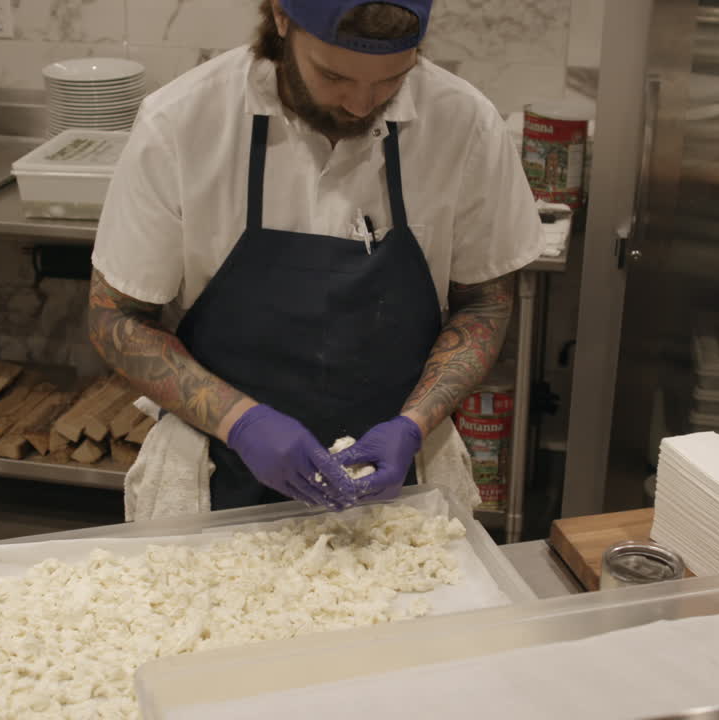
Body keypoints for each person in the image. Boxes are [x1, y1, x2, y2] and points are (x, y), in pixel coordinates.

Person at [89, 0, 542, 512]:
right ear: (282, 18)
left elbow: (484, 302)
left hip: (400, 478)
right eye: (333, 76)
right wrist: (243, 423)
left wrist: (413, 425)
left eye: (392, 79)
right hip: (212, 473)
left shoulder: (464, 122)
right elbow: (116, 318)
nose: (361, 104)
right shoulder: (181, 122)